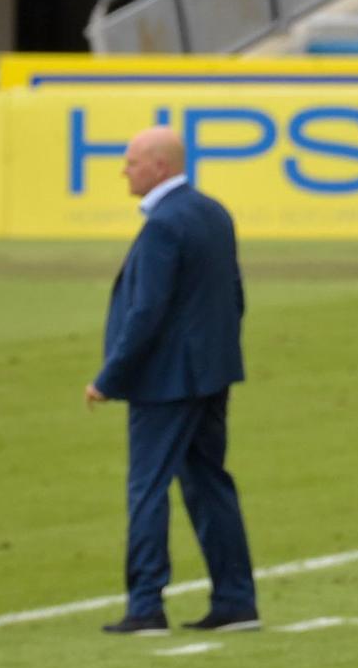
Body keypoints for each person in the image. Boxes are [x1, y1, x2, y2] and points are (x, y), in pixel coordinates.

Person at [87, 125, 257, 635]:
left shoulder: (163, 225)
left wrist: (110, 377)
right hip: (211, 373)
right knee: (209, 484)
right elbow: (234, 295)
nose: (125, 170)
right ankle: (236, 601)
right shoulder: (213, 212)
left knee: (148, 489)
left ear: (160, 166)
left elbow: (146, 311)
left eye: (133, 161)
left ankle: (145, 606)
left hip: (165, 382)